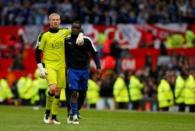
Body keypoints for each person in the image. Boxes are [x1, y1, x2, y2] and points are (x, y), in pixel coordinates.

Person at [35, 13, 84, 124]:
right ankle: (47, 112)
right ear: (49, 21)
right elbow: (37, 53)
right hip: (49, 65)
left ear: (60, 21)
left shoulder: (64, 32)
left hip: (61, 65)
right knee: (52, 88)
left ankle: (54, 116)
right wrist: (41, 68)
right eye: (53, 20)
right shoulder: (44, 35)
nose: (55, 21)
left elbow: (78, 29)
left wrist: (80, 35)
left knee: (58, 91)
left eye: (57, 20)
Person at [65, 21, 101, 125]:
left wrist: (98, 67)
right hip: (72, 70)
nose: (75, 29)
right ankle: (74, 115)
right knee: (74, 92)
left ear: (80, 29)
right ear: (71, 29)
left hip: (84, 70)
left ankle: (76, 110)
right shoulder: (66, 40)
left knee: (83, 93)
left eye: (77, 28)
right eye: (73, 27)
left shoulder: (87, 40)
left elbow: (95, 53)